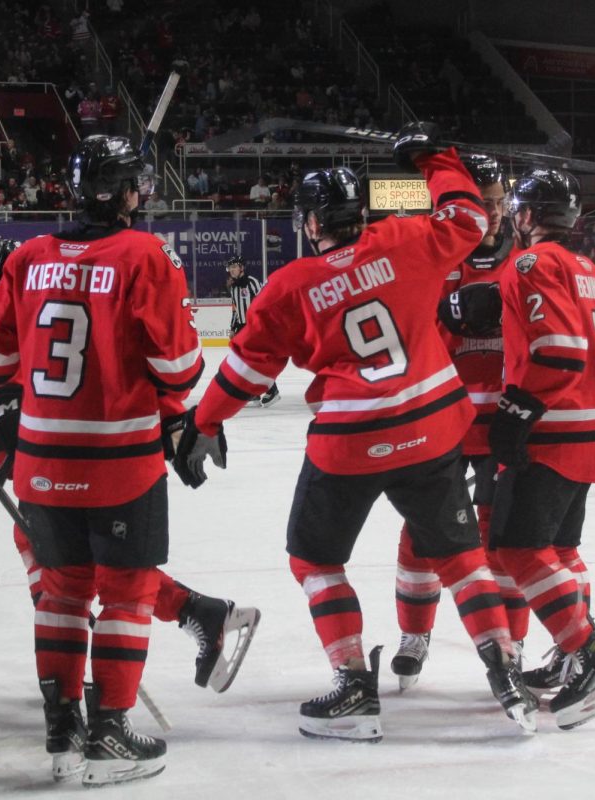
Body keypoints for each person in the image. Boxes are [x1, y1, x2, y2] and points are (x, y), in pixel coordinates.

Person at [173, 122, 538, 742]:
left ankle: (351, 686)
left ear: (312, 223)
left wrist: (202, 423)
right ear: (359, 212)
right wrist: (434, 157)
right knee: (460, 557)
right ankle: (504, 669)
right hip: (431, 428)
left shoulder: (291, 285)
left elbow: (245, 369)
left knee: (314, 559)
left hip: (350, 441)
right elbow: (469, 216)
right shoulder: (405, 240)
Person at [0, 136, 258, 788]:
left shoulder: (27, 259)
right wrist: (179, 420)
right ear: (132, 193)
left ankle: (61, 733)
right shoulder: (143, 255)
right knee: (126, 595)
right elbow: (179, 366)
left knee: (62, 594)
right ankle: (110, 736)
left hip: (40, 464)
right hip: (119, 460)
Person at [481, 167, 595, 730]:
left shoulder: (531, 263)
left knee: (517, 549)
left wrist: (516, 413)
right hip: (594, 425)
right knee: (562, 548)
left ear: (525, 215)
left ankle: (591, 655)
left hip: (558, 424)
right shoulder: (584, 265)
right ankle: (573, 655)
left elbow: (561, 351)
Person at [389, 153, 515, 690]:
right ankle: (414, 636)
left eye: (495, 203)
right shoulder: (433, 258)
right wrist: (446, 312)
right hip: (445, 422)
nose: (487, 213)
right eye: (478, 203)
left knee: (501, 544)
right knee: (421, 536)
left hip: (508, 427)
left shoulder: (529, 262)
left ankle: (511, 648)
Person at [225, 255, 279, 407]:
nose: (232, 270)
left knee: (253, 360)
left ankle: (271, 390)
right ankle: (256, 393)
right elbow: (235, 310)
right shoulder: (234, 287)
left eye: (235, 267)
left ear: (242, 268)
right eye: (230, 268)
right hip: (242, 327)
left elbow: (265, 302)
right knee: (245, 361)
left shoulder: (253, 282)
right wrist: (232, 327)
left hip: (255, 325)